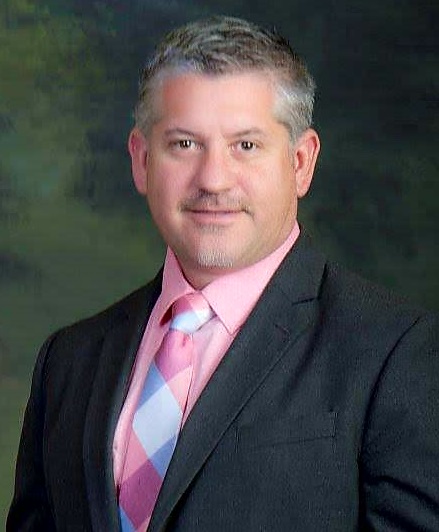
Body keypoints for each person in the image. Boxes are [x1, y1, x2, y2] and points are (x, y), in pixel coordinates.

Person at [7, 15, 439, 532]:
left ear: (301, 163)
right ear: (141, 161)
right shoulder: (68, 361)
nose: (213, 180)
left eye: (246, 146)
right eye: (184, 144)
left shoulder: (396, 353)